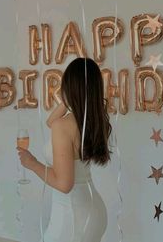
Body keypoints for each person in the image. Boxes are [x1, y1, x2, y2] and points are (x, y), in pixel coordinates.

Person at [17, 57, 112, 242]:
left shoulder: (65, 126)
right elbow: (50, 122)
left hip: (72, 215)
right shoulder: (92, 120)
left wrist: (32, 163)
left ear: (70, 87)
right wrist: (72, 99)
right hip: (93, 211)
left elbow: (64, 184)